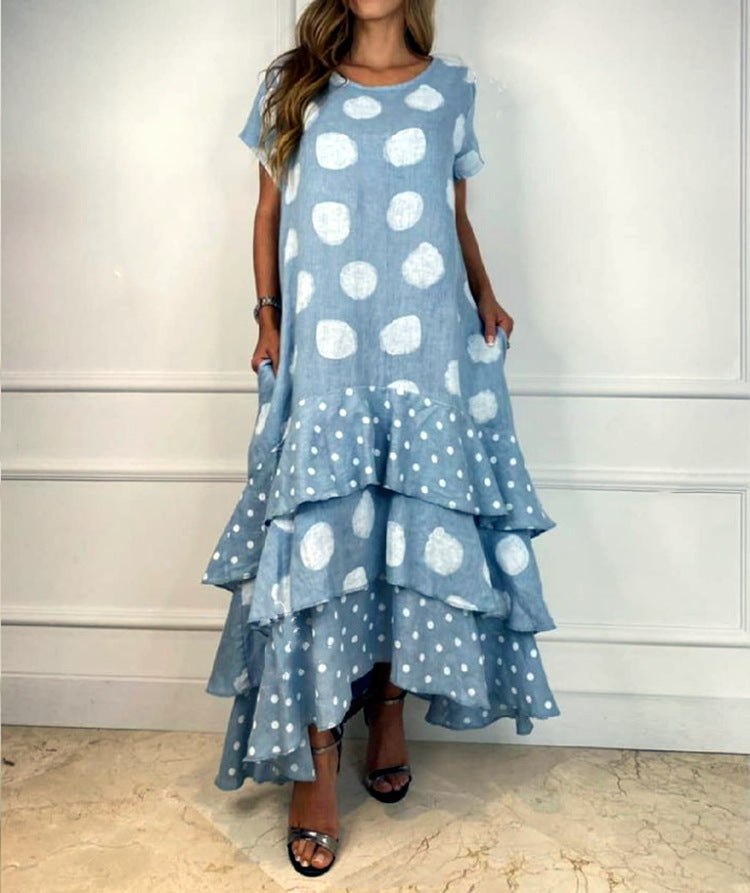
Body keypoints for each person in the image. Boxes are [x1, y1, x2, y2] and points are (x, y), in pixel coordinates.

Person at [202, 0, 560, 877]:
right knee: (323, 542)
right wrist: (266, 317)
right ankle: (318, 756)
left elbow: (453, 214)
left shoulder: (451, 92)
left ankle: (389, 708)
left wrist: (485, 292)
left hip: (427, 343)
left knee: (409, 529)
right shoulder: (293, 85)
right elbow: (267, 211)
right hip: (326, 352)